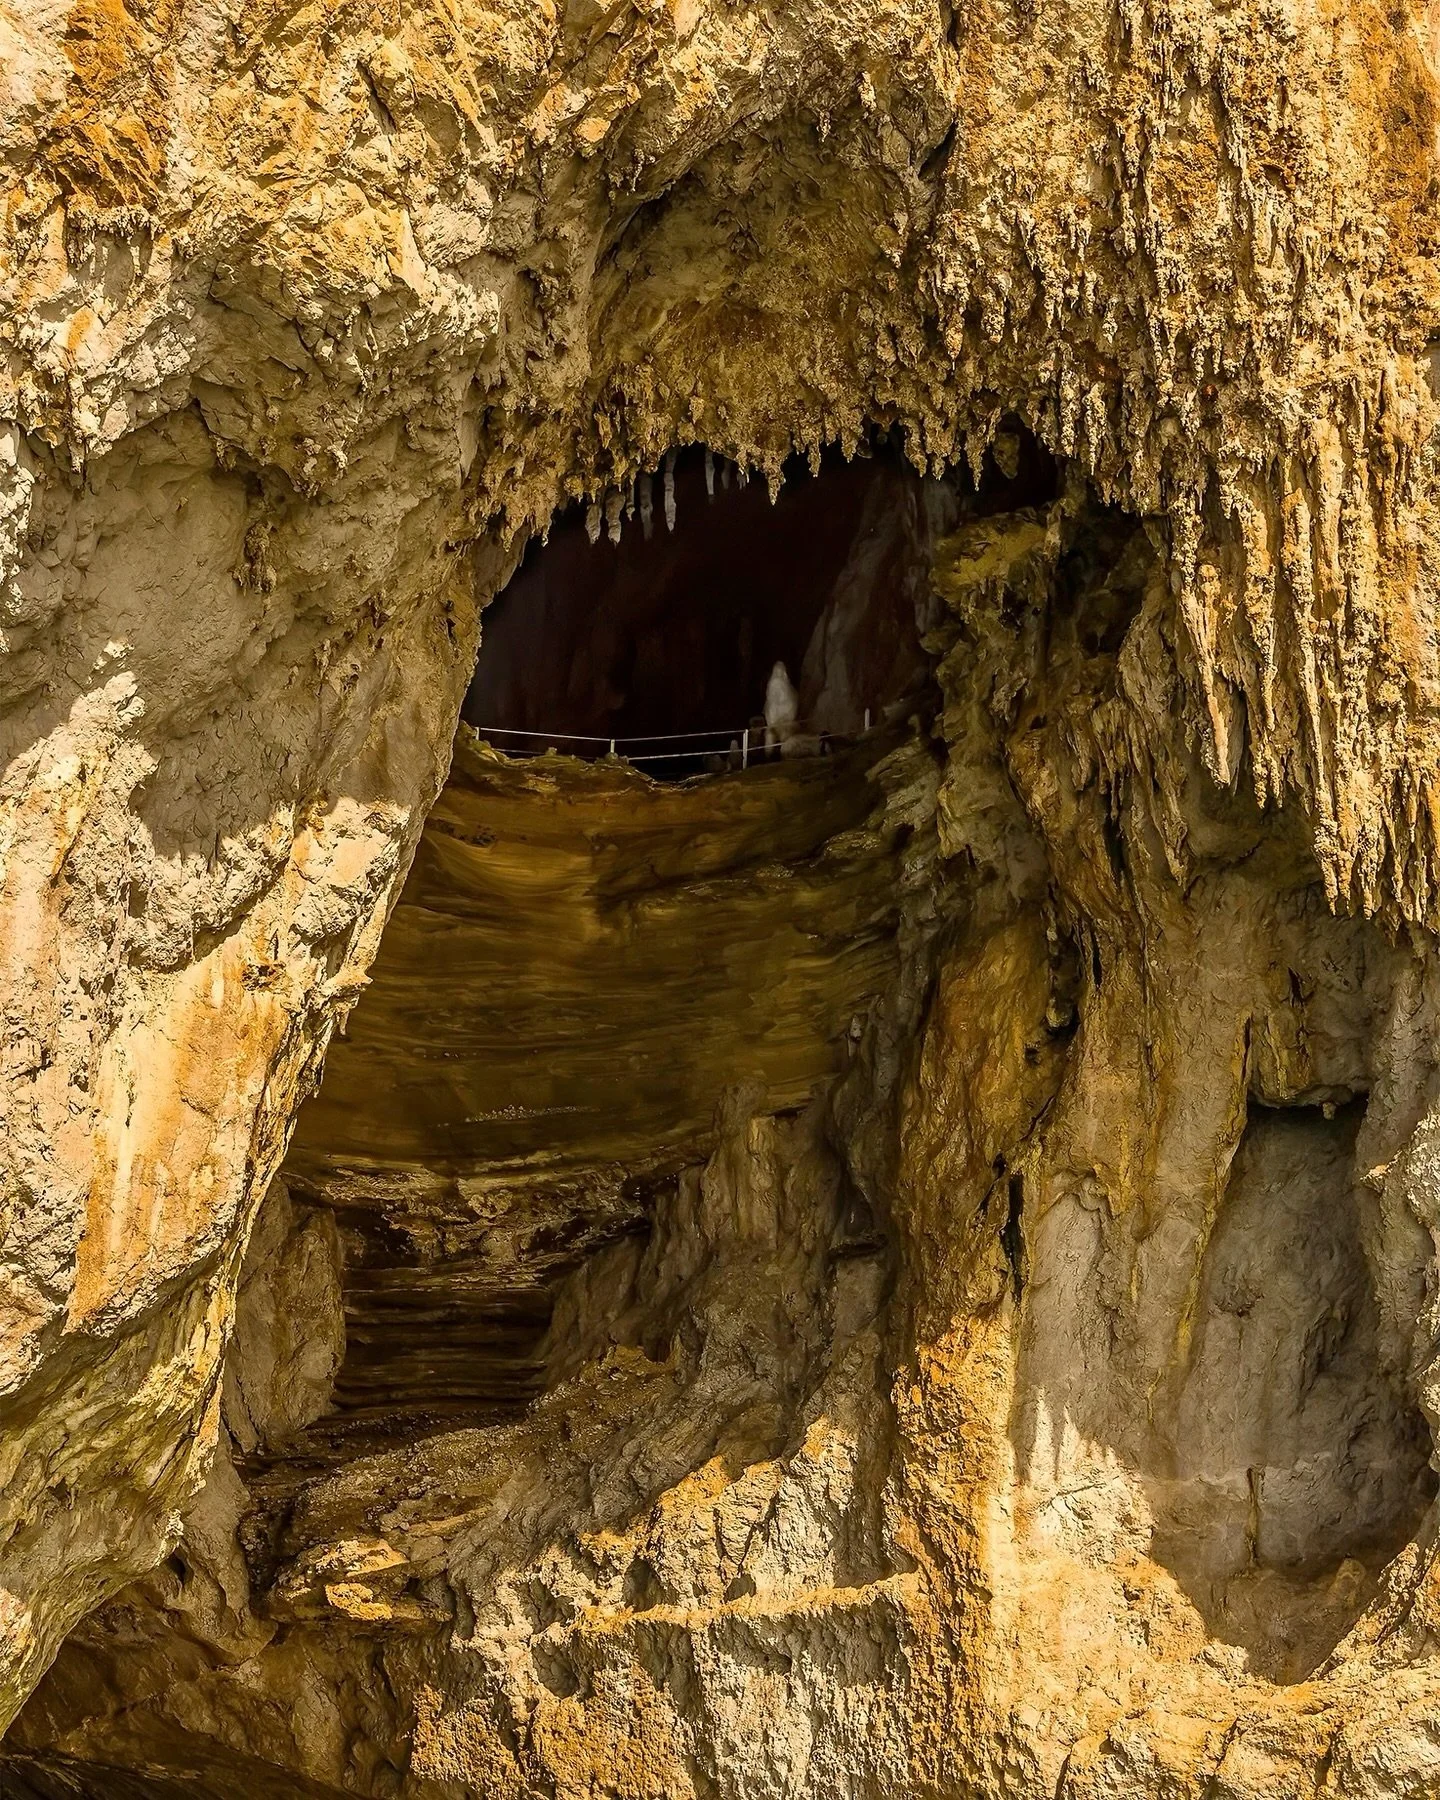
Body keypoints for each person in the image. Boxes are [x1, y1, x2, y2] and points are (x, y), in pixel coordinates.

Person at [763, 660, 798, 758]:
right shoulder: (773, 687)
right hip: (775, 726)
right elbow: (770, 720)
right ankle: (768, 758)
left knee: (786, 737)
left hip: (786, 726)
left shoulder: (789, 692)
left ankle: (785, 756)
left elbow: (791, 715)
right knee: (769, 737)